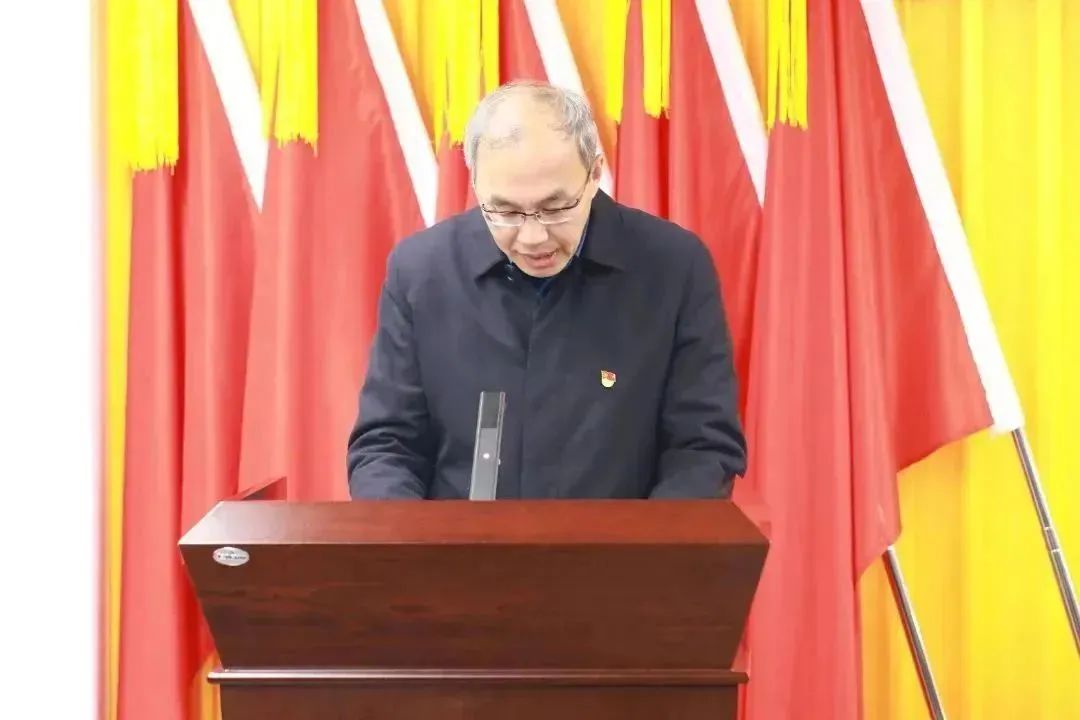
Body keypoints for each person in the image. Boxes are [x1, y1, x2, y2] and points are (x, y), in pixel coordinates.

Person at [347, 80, 746, 500]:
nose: (533, 237)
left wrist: (649, 542)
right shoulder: (422, 272)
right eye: (505, 211)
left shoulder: (672, 267)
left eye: (555, 208)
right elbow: (387, 447)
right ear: (476, 184)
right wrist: (407, 539)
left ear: (594, 174)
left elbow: (702, 448)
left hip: (623, 542)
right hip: (453, 543)